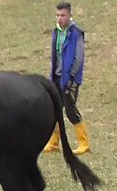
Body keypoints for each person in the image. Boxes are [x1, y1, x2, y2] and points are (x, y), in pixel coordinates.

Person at [44, 2, 90, 155]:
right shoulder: (56, 32)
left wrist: (71, 78)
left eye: (62, 15)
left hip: (70, 80)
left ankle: (84, 143)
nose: (59, 18)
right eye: (57, 15)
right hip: (56, 77)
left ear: (69, 15)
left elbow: (78, 58)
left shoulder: (76, 33)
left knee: (70, 110)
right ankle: (54, 142)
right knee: (54, 110)